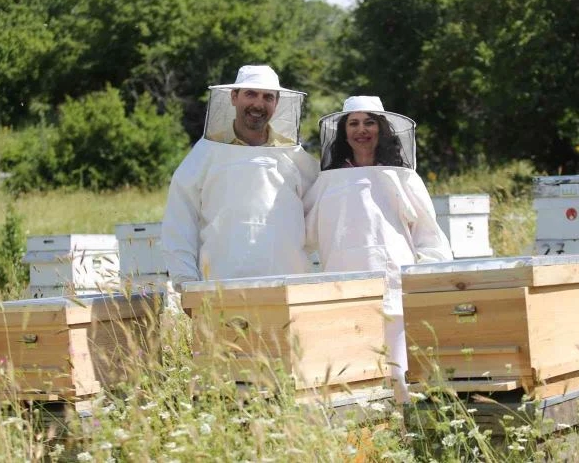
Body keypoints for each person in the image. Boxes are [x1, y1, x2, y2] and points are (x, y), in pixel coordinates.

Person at [304, 96, 452, 402]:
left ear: (382, 129)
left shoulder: (403, 178)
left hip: (394, 290)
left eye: (369, 122)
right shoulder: (327, 181)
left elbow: (429, 236)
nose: (362, 130)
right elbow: (305, 234)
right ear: (343, 132)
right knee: (352, 376)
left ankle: (407, 425)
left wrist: (427, 285)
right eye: (354, 123)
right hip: (344, 292)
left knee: (400, 373)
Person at [162, 65, 319, 286]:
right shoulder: (207, 152)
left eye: (268, 97)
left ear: (277, 103)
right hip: (220, 285)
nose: (259, 104)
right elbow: (180, 219)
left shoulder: (293, 155)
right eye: (251, 94)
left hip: (289, 285)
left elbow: (320, 215)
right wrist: (184, 278)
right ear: (234, 97)